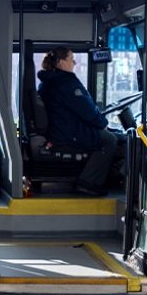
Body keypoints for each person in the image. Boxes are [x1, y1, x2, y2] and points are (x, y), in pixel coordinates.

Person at [37, 46, 116, 197]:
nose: (75, 63)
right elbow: (86, 110)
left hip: (62, 127)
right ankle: (88, 182)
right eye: (71, 60)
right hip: (68, 132)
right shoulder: (65, 84)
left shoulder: (50, 81)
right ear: (61, 63)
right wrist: (103, 124)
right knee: (110, 139)